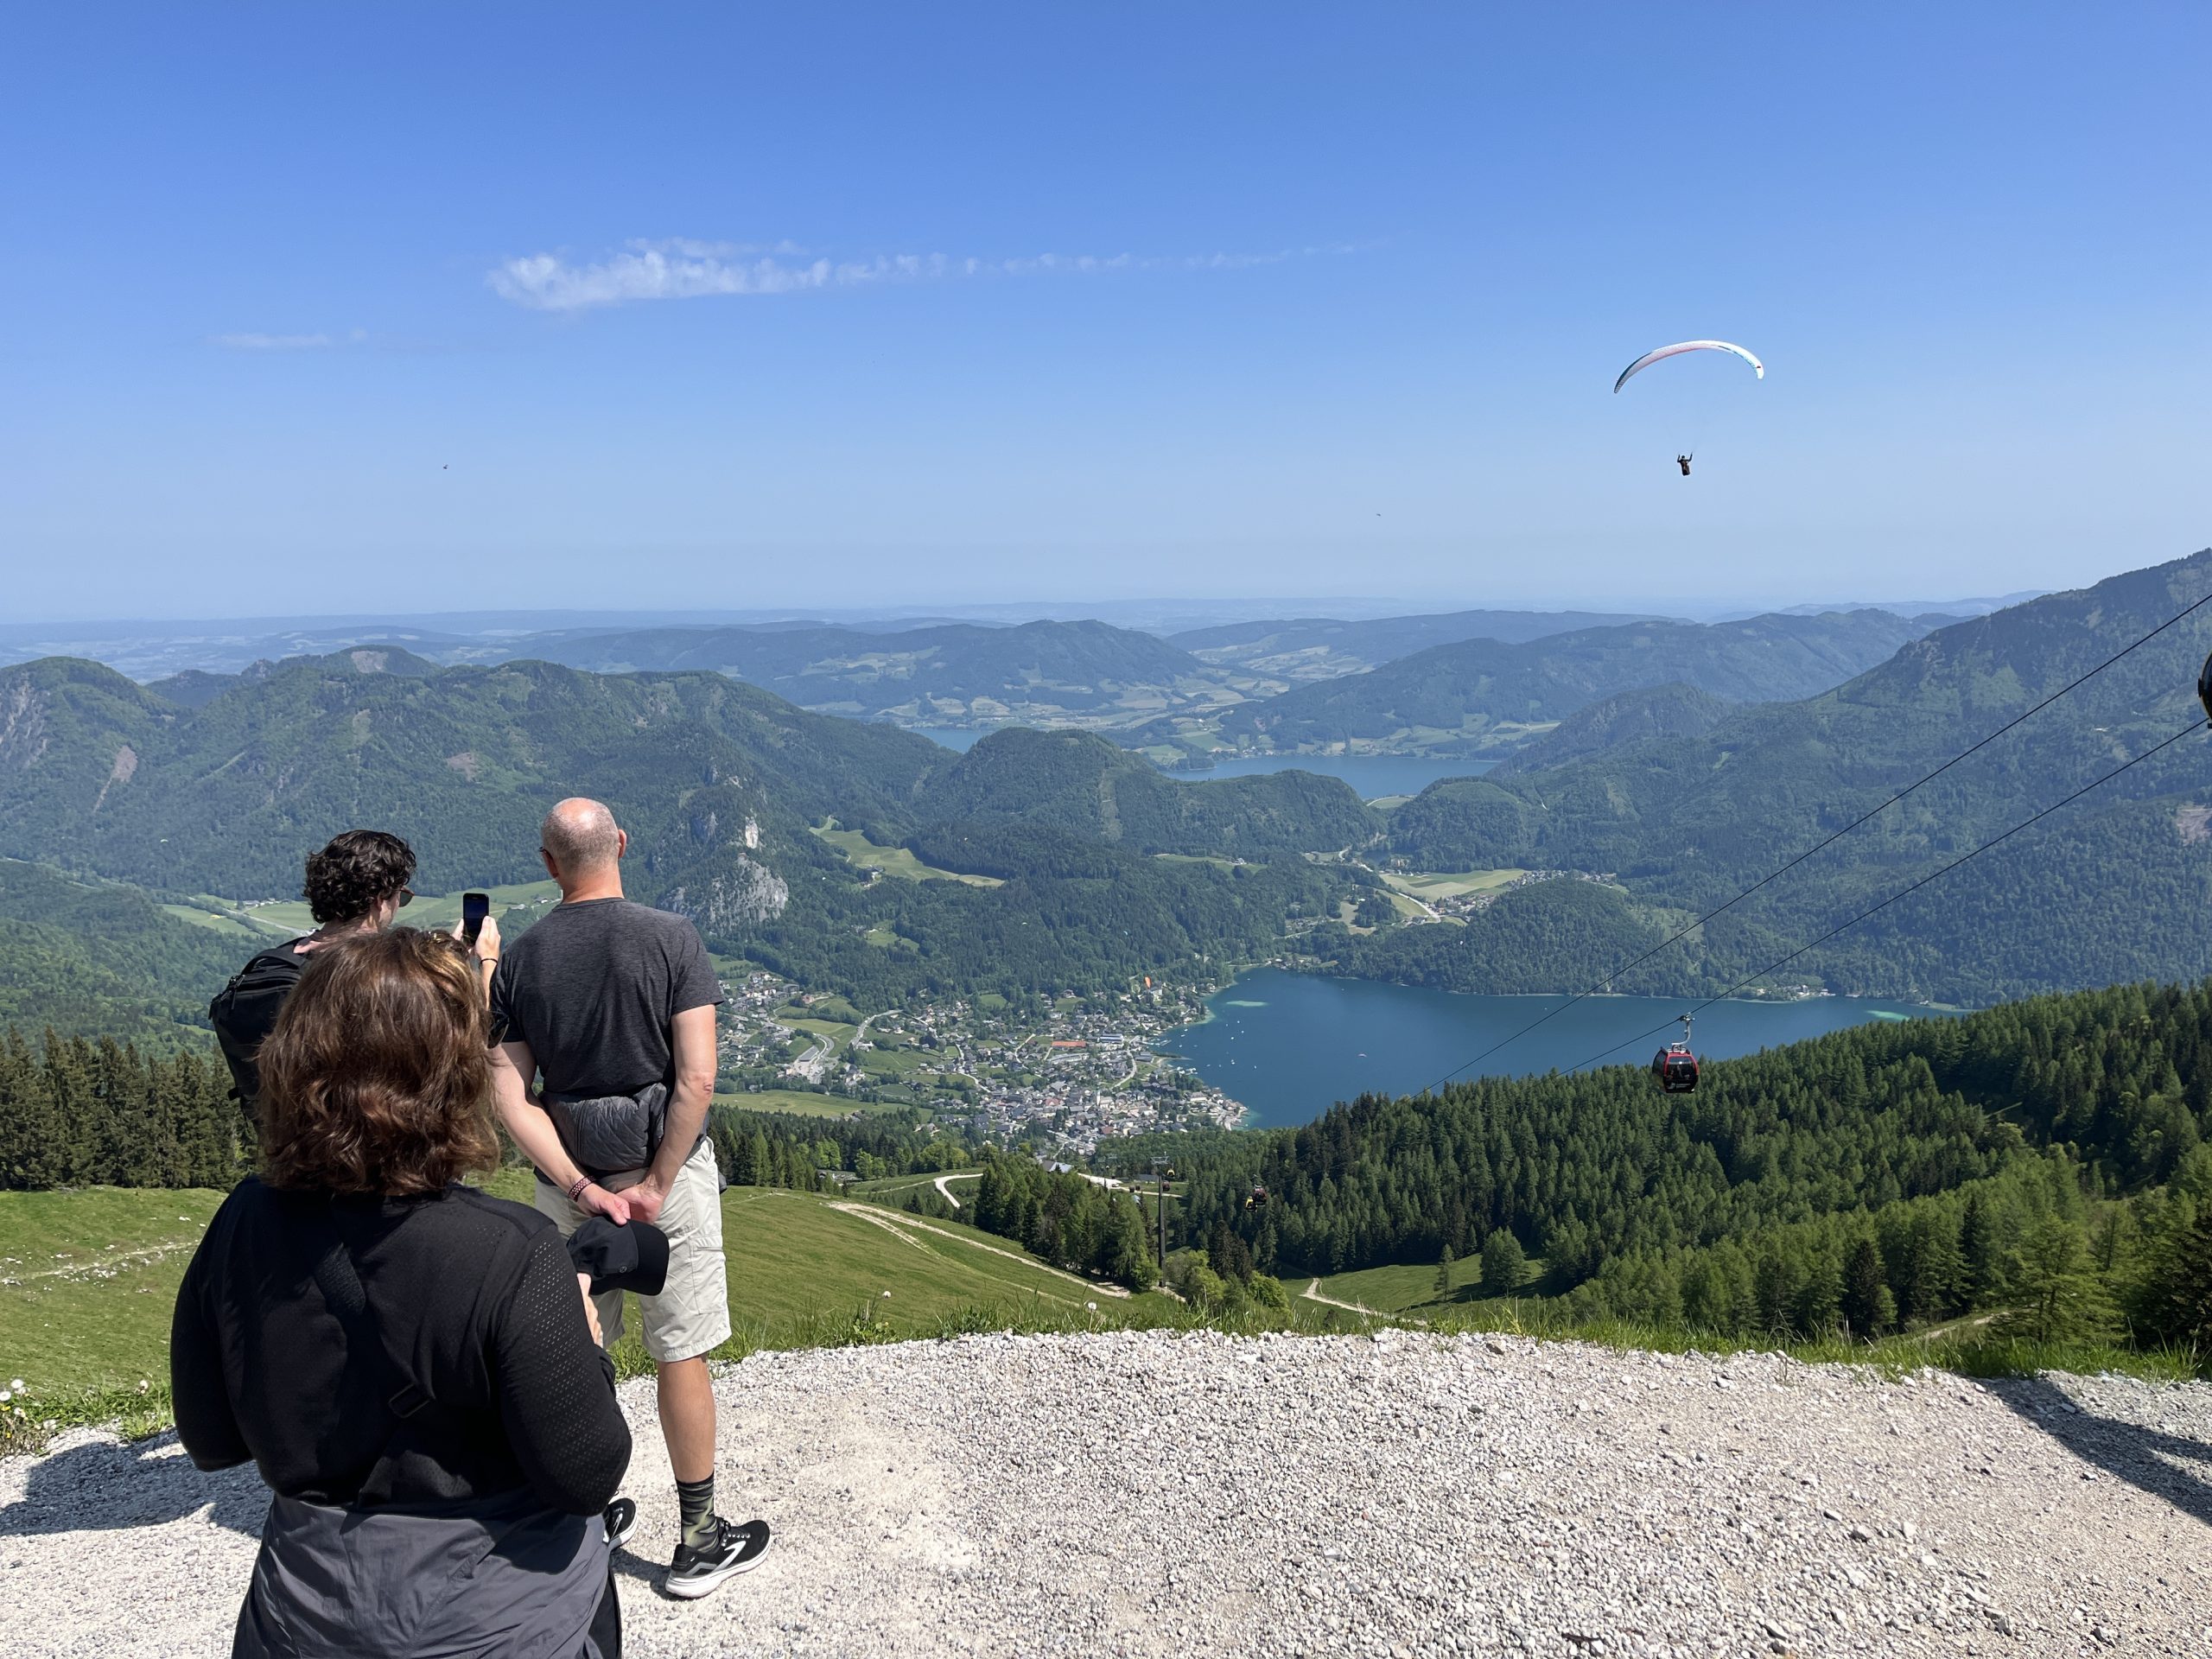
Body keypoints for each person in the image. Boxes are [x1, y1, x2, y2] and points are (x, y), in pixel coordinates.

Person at [173, 928, 631, 1658]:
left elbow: (210, 1438)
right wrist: (589, 1348)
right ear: (451, 1078)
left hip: (304, 1617)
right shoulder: (512, 1252)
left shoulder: (244, 1218)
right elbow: (586, 1476)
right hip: (494, 1623)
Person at [487, 798, 770, 1599]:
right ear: (622, 843)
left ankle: (580, 1518)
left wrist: (578, 1187)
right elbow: (699, 1077)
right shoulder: (672, 937)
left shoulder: (523, 960)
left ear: (548, 865)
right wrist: (655, 1182)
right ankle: (699, 1537)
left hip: (567, 1182)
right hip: (663, 1177)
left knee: (578, 1349)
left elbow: (510, 1094)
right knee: (678, 1349)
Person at [210, 830, 502, 1116]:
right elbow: (478, 1037)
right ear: (379, 899)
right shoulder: (385, 974)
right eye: (401, 895)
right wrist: (486, 960)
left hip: (290, 1145)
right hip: (369, 1145)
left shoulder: (281, 961)